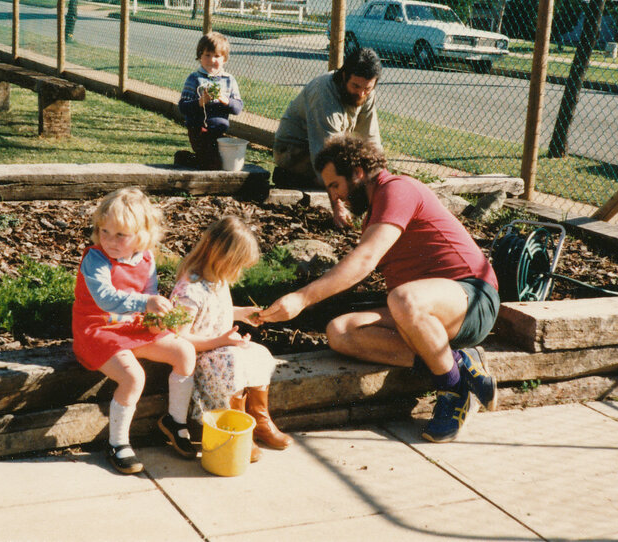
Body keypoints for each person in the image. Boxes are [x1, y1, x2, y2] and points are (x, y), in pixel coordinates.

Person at [258, 134, 499, 443]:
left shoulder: (397, 189)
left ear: (358, 172)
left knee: (404, 298)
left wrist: (301, 298)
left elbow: (365, 260)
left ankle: (454, 390)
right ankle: (459, 362)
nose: (336, 196)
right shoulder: (375, 209)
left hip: (472, 298)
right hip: (430, 314)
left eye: (335, 185)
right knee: (340, 331)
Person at [71, 187, 197, 474]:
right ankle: (117, 443)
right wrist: (147, 302)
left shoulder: (146, 258)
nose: (110, 241)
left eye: (120, 235)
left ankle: (175, 421)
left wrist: (159, 318)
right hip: (98, 328)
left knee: (185, 352)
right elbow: (105, 297)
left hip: (133, 327)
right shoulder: (96, 258)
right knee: (133, 375)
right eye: (104, 231)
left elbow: (148, 294)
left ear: (141, 235)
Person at [170, 216, 291, 463]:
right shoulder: (190, 290)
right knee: (234, 360)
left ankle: (259, 420)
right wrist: (221, 341)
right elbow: (179, 337)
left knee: (259, 354)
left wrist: (241, 314)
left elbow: (214, 310)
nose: (238, 272)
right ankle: (237, 428)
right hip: (201, 359)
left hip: (220, 350)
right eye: (237, 265)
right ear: (220, 256)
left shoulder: (217, 280)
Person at [273, 47, 384, 227]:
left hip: (329, 150)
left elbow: (371, 142)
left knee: (362, 178)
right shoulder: (323, 93)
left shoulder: (366, 93)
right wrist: (338, 208)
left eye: (367, 88)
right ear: (343, 76)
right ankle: (290, 176)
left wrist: (383, 186)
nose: (361, 94)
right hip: (294, 151)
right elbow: (326, 157)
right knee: (352, 182)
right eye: (355, 86)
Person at [175, 32, 244, 170]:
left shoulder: (229, 80)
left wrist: (225, 100)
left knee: (219, 161)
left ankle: (186, 158)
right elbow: (183, 106)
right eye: (207, 55)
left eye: (217, 56)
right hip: (198, 129)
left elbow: (238, 108)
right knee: (213, 163)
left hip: (218, 131)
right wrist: (201, 102)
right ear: (200, 56)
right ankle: (186, 159)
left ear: (224, 59)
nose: (212, 60)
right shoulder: (195, 78)